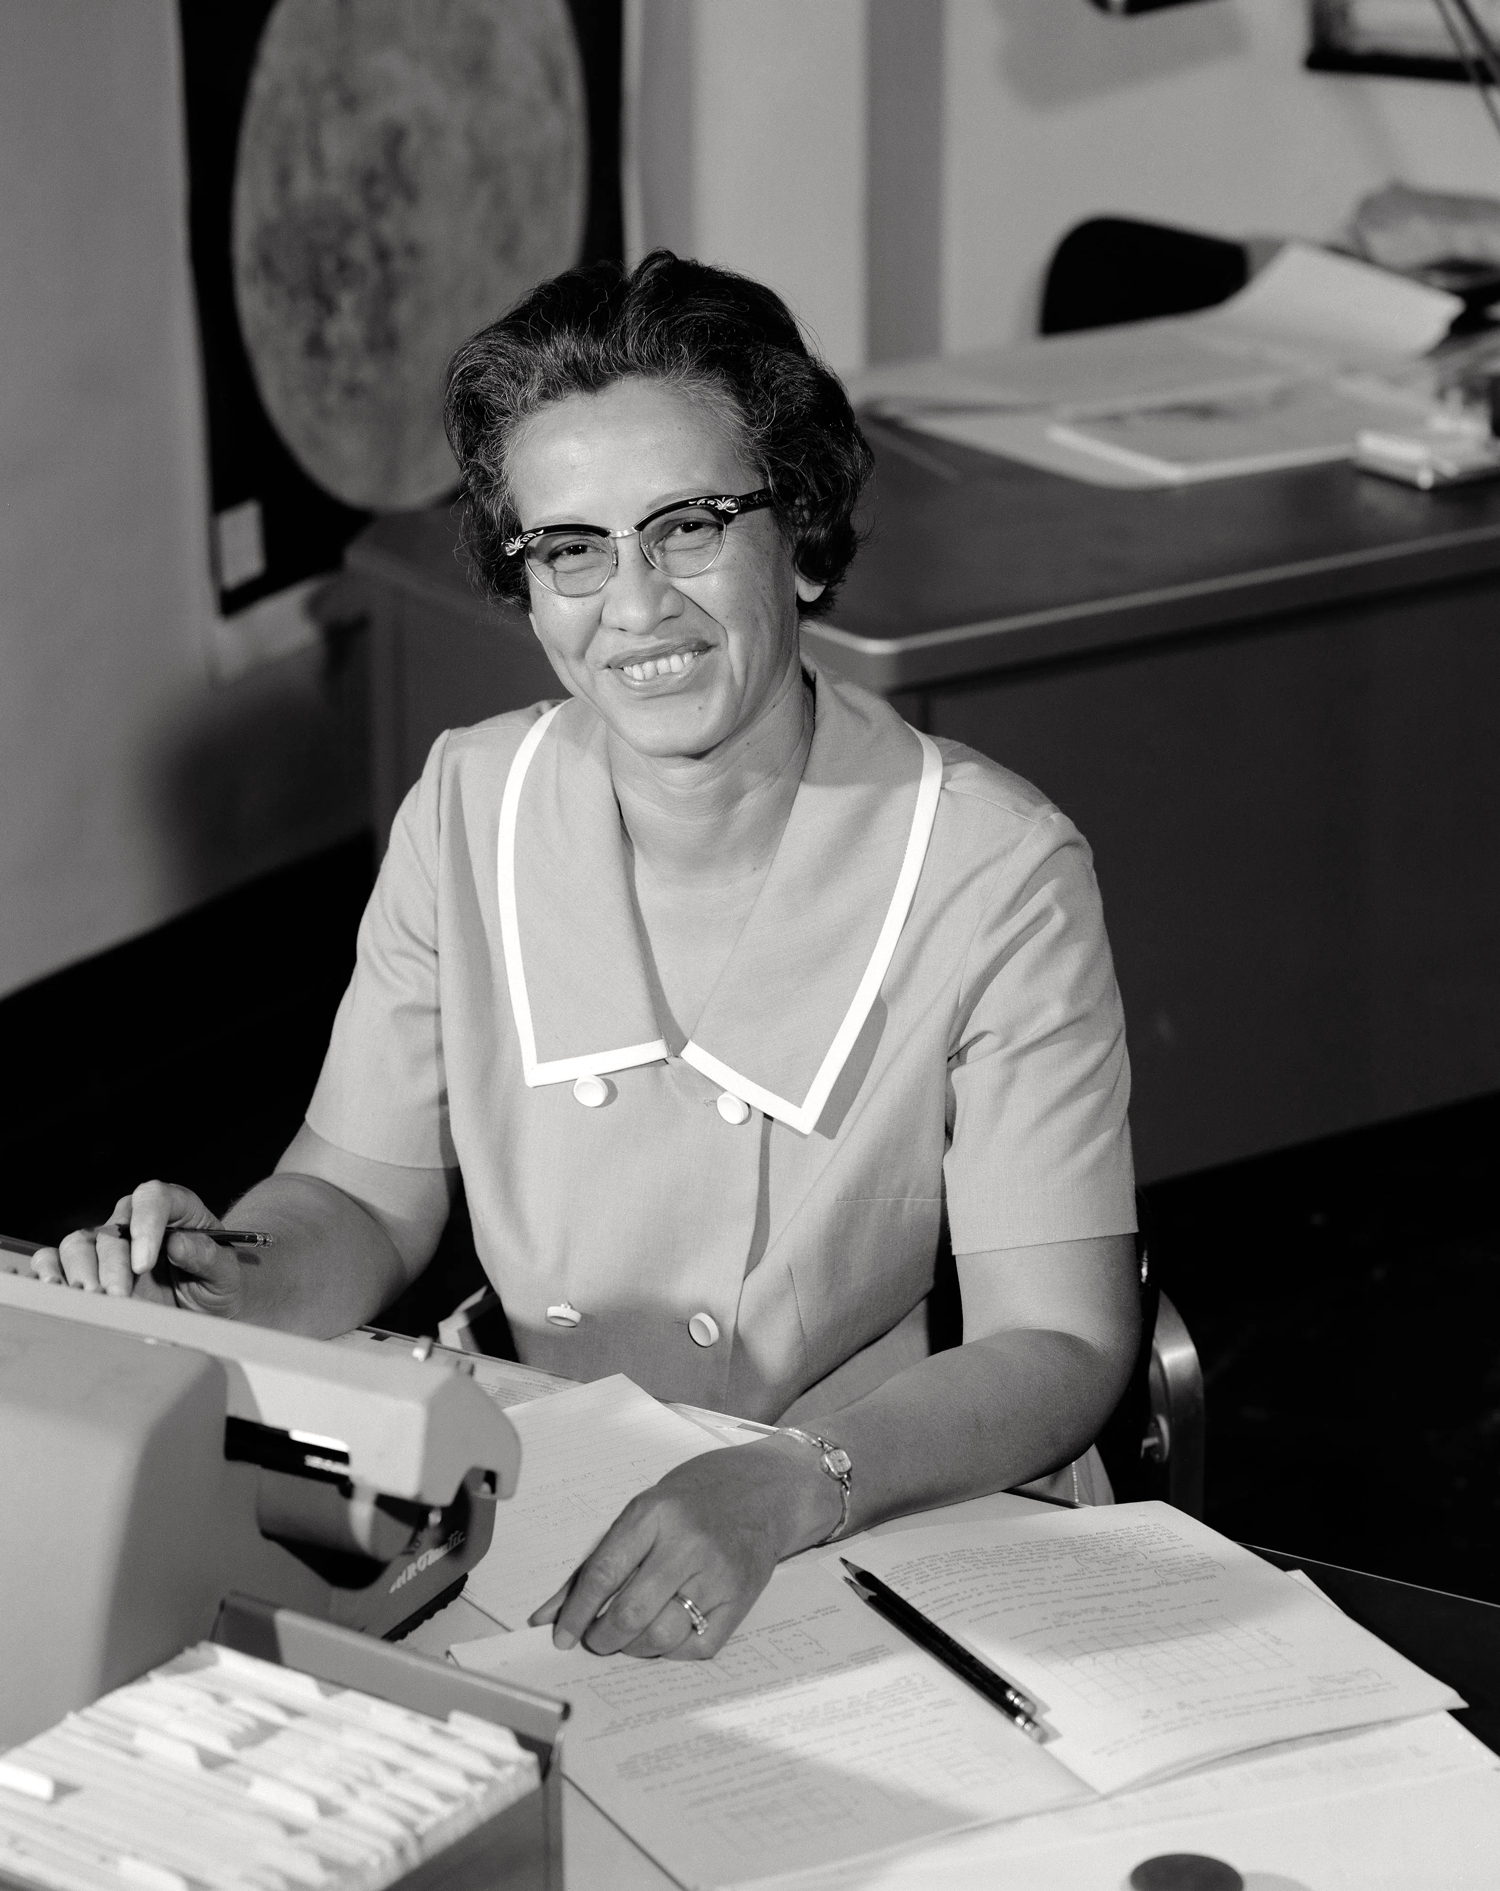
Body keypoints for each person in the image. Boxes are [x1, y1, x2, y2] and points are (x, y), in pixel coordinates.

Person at [31, 251, 1140, 1662]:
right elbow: (362, 1202)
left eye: (687, 528)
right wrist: (217, 1278)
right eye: (572, 549)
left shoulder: (993, 868)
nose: (635, 604)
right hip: (543, 1492)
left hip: (877, 1496)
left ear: (797, 530)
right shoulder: (470, 803)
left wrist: (794, 1481)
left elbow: (1063, 1346)